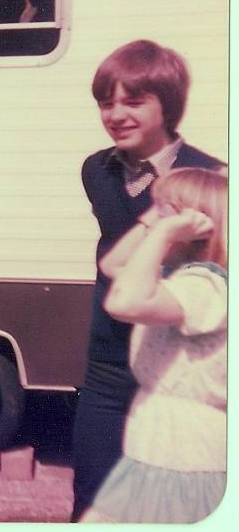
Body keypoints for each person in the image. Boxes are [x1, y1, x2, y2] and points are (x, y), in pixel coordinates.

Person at [71, 39, 224, 521]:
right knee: (92, 497)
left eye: (133, 101)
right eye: (106, 102)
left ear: (169, 106)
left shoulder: (209, 176)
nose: (116, 114)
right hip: (109, 357)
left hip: (172, 364)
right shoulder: (96, 169)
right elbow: (115, 258)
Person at [80, 167, 226, 523]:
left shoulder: (207, 286)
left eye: (167, 210)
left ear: (196, 225)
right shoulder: (177, 275)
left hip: (184, 455)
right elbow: (113, 263)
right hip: (157, 447)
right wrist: (157, 219)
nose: (157, 217)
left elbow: (122, 302)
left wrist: (164, 231)